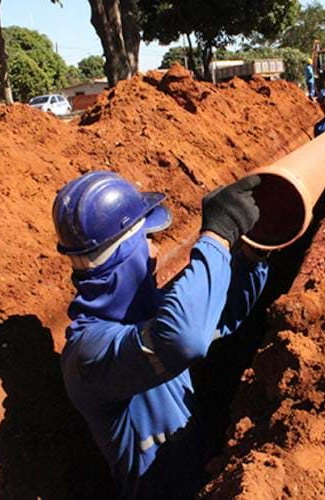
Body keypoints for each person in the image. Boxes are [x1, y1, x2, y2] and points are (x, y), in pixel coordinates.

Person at [52, 171, 268, 499]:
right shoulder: (89, 354)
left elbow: (221, 311)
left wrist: (254, 252)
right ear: (124, 256)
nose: (154, 253)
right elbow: (184, 339)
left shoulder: (146, 317)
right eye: (146, 241)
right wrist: (216, 237)